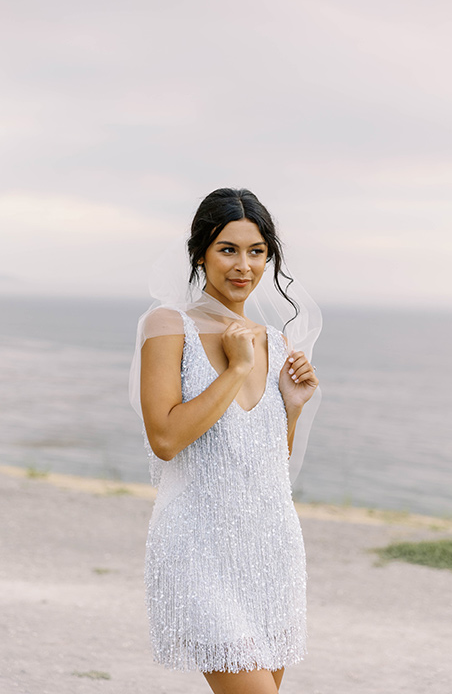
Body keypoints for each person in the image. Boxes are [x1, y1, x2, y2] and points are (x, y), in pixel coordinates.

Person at [130, 188, 321, 694]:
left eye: (257, 251)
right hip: (198, 548)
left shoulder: (275, 341)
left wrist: (292, 408)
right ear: (200, 253)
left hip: (270, 546)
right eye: (228, 249)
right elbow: (166, 439)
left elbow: (265, 461)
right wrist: (236, 369)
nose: (244, 265)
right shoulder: (168, 326)